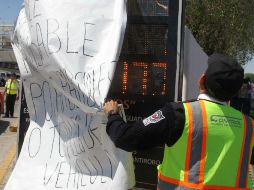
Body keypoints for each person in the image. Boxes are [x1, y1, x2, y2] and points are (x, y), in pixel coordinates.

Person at [104, 54, 254, 189]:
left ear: (202, 80)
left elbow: (126, 137)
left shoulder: (179, 114)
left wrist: (112, 114)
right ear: (235, 92)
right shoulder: (249, 125)